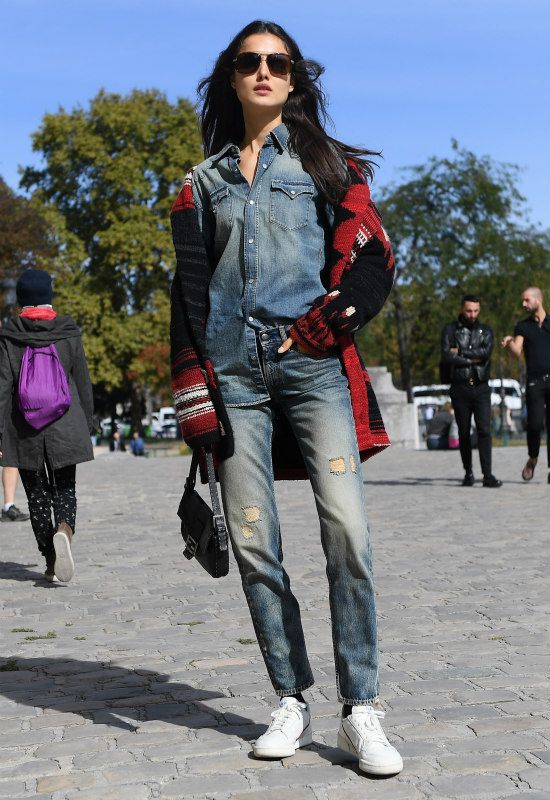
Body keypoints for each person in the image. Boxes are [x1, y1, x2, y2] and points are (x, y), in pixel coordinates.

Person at [170, 20, 403, 776]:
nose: (264, 71)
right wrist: (194, 389)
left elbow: (372, 256)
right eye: (250, 62)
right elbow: (189, 293)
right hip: (234, 380)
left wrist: (345, 313)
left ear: (295, 79)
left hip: (312, 370)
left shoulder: (325, 165)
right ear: (232, 78)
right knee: (254, 544)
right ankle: (291, 698)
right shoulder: (201, 184)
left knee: (349, 534)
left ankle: (361, 707)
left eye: (278, 62)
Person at [0, 268, 94, 583]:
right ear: (49, 298)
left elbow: (2, 388)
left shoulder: (9, 335)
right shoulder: (68, 331)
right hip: (66, 423)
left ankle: (51, 560)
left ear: (21, 300)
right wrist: (88, 420)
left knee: (37, 496)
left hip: (24, 427)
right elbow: (82, 380)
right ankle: (64, 529)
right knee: (65, 488)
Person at [441, 294, 502, 487]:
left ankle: (488, 475)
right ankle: (468, 473)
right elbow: (447, 356)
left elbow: (485, 354)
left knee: (484, 430)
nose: (472, 314)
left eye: (476, 310)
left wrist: (460, 352)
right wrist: (471, 358)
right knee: (464, 432)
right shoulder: (450, 330)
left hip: (481, 386)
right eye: (469, 310)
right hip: (460, 386)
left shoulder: (486, 331)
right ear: (461, 308)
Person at [502, 287, 550, 483]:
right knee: (535, 424)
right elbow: (516, 352)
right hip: (534, 382)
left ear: (538, 300)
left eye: (526, 300)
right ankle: (533, 458)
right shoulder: (522, 326)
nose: (523, 304)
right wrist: (510, 342)